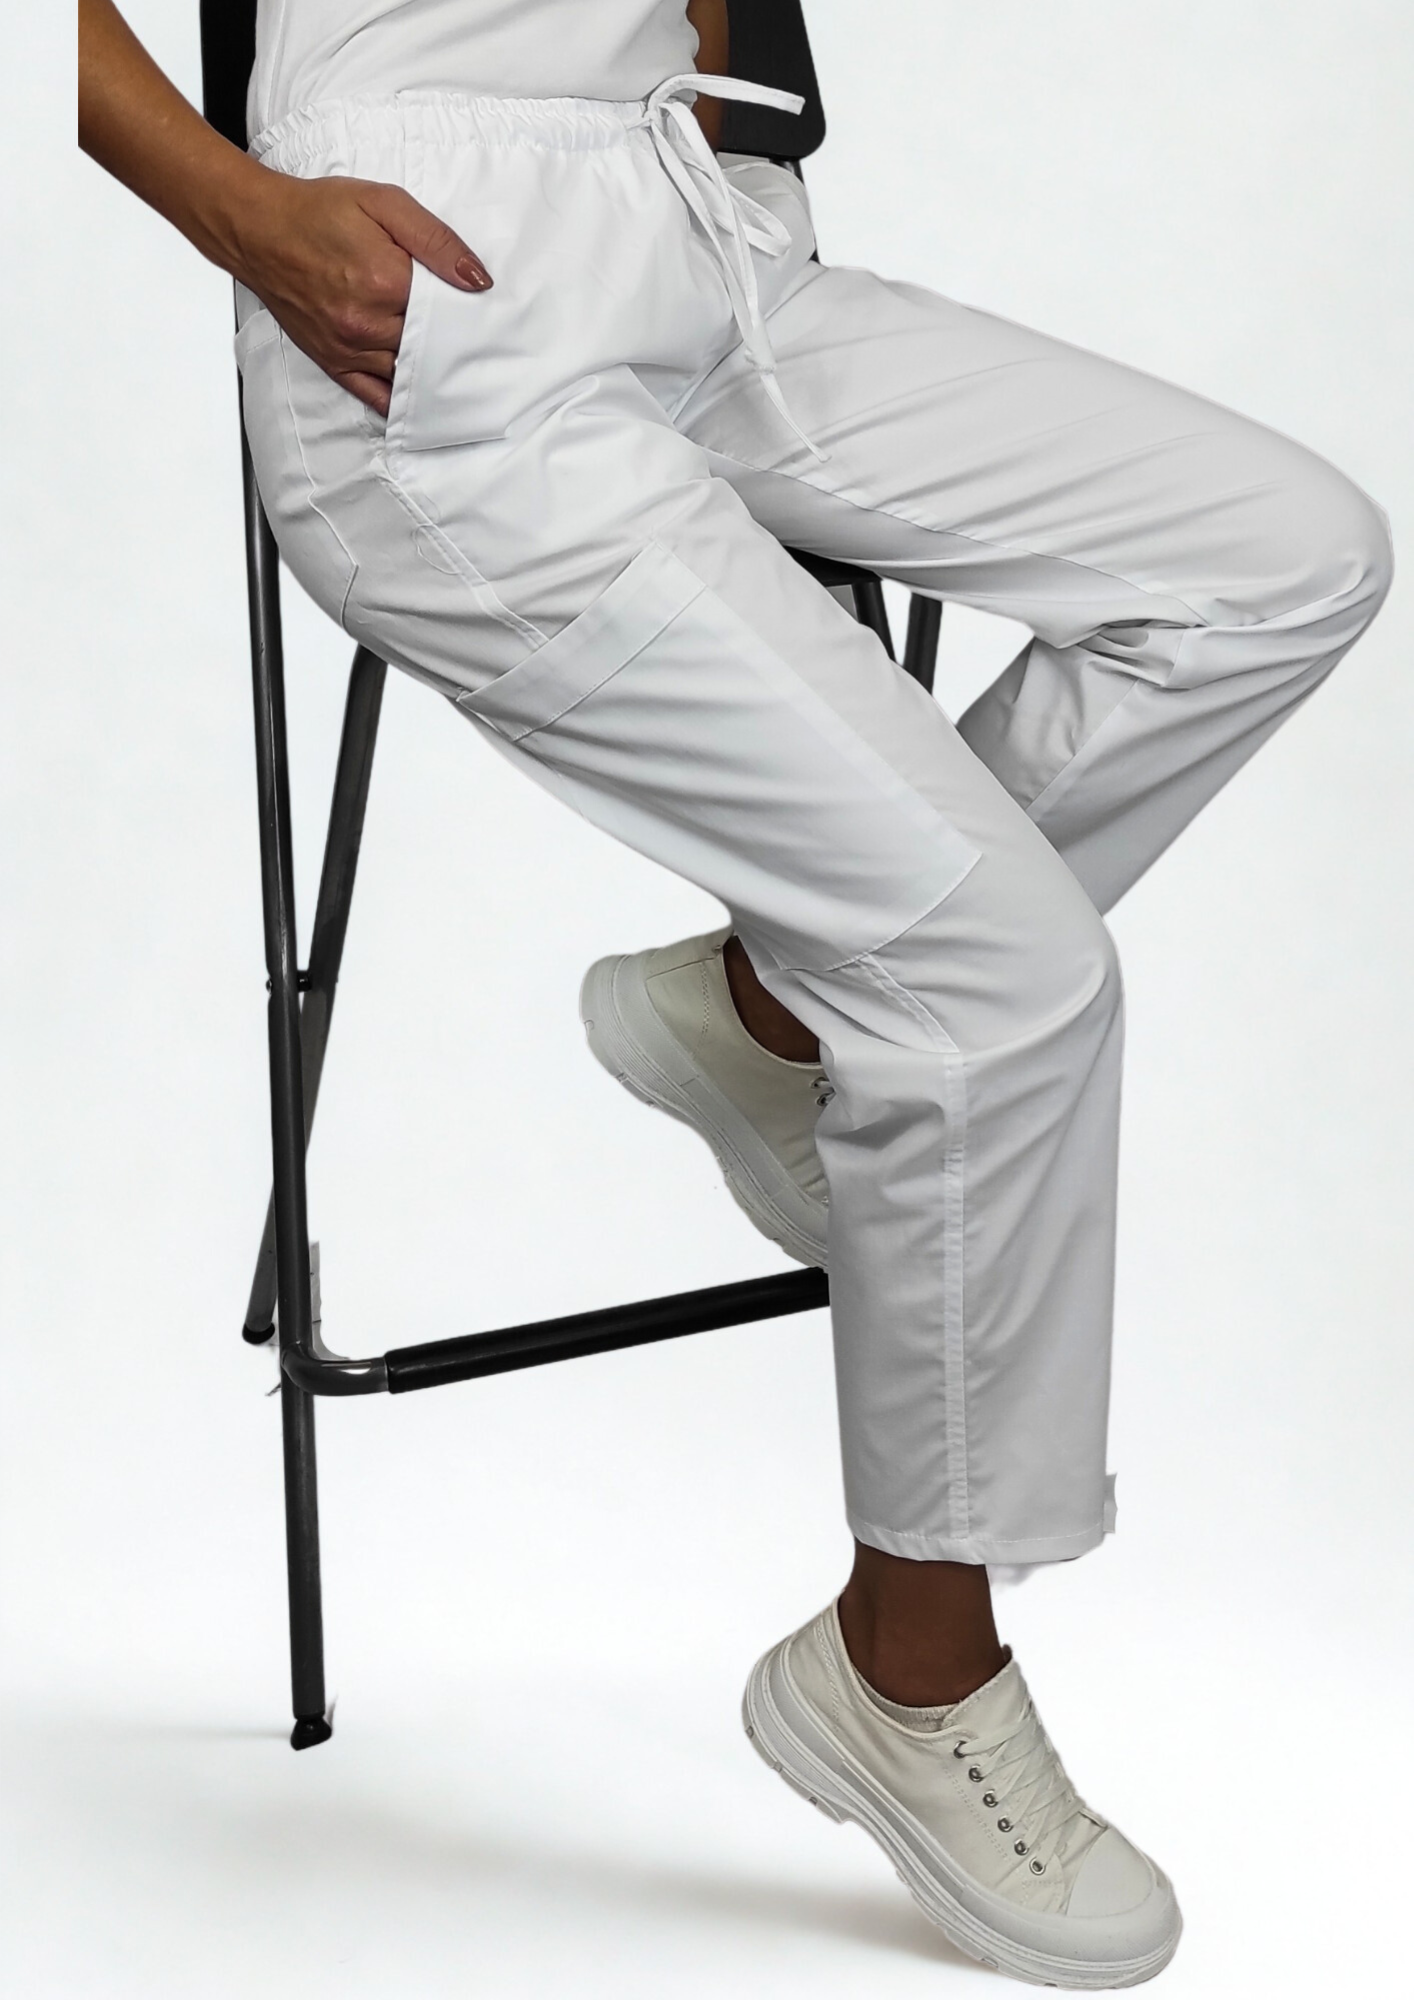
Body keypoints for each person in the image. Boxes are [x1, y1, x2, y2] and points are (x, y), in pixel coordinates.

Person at [78, 1, 1391, 1985]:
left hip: (698, 222)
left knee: (1281, 556)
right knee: (1003, 976)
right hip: (420, 288)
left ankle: (776, 1015)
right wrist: (240, 213)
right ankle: (904, 1665)